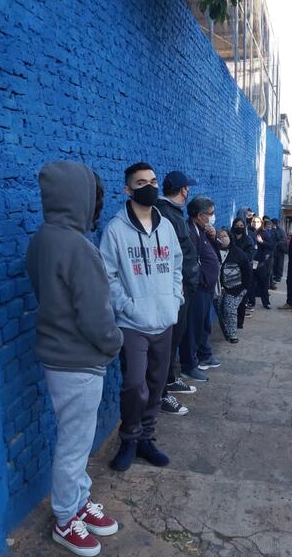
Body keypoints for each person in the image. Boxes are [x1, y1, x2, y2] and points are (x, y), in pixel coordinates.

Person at [25, 161, 123, 556]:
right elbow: (96, 316)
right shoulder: (79, 247)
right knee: (74, 445)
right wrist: (113, 343)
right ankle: (65, 519)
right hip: (79, 362)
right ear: (79, 199)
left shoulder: (42, 239)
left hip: (56, 358)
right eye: (93, 197)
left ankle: (79, 501)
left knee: (74, 441)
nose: (96, 205)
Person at [100, 162, 184, 472]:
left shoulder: (166, 227)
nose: (149, 187)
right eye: (141, 182)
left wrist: (175, 301)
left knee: (157, 383)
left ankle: (147, 438)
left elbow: (176, 266)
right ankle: (129, 439)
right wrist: (126, 306)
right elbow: (107, 275)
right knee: (135, 384)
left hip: (164, 319)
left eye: (152, 181)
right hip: (133, 323)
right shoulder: (115, 230)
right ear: (127, 189)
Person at [155, 171, 200, 416]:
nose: (187, 192)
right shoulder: (165, 215)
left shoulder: (171, 213)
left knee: (176, 338)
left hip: (182, 286)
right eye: (187, 188)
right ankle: (161, 394)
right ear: (183, 190)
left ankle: (170, 380)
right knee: (168, 342)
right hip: (176, 289)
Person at [180, 196, 221, 381]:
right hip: (198, 288)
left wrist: (213, 237)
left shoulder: (202, 230)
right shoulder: (189, 231)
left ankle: (204, 355)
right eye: (210, 214)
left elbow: (213, 253)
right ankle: (189, 365)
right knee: (193, 328)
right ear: (199, 215)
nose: (212, 217)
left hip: (207, 287)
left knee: (204, 324)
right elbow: (191, 261)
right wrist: (200, 280)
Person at [214, 228, 252, 343]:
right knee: (220, 310)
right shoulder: (214, 251)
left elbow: (247, 271)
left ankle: (232, 334)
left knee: (229, 308)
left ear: (230, 237)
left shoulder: (238, 253)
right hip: (219, 289)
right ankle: (226, 331)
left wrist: (244, 288)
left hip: (237, 289)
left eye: (225, 236)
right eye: (220, 236)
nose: (223, 238)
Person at [231, 217, 255, 330]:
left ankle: (239, 323)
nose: (239, 227)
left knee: (242, 299)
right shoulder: (230, 238)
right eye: (237, 225)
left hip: (244, 272)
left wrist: (236, 257)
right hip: (230, 273)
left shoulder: (248, 240)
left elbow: (248, 256)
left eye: (241, 225)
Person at [250, 216, 275, 309]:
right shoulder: (248, 232)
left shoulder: (264, 234)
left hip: (260, 264)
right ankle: (251, 302)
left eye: (258, 222)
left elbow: (271, 246)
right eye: (254, 221)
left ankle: (266, 302)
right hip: (250, 263)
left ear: (261, 223)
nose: (255, 223)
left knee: (263, 284)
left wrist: (262, 241)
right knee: (251, 284)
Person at [271, 217, 288, 283]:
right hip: (274, 249)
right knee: (274, 263)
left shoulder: (280, 230)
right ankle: (275, 275)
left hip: (280, 249)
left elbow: (284, 239)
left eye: (271, 223)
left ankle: (278, 276)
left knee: (279, 263)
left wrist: (277, 243)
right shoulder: (273, 229)